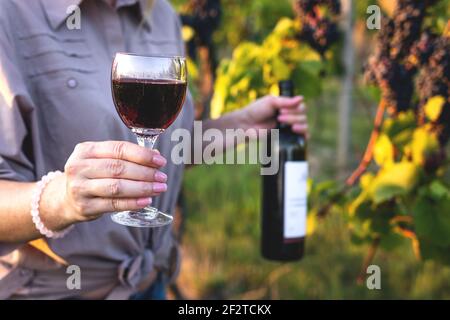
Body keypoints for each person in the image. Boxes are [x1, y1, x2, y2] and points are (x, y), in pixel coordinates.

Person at [0, 0, 308, 299]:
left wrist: (242, 124)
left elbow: (163, 150)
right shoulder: (10, 14)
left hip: (151, 285)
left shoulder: (161, 14)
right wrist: (62, 199)